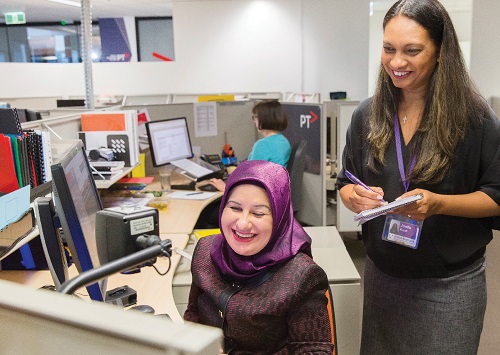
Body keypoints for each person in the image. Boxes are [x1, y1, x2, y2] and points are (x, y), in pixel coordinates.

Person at [335, 0, 500, 354]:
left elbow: (496, 196)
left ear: (441, 52)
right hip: (382, 277)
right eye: (388, 49)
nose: (396, 62)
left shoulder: (475, 119)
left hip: (448, 287)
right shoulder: (368, 114)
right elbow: (344, 183)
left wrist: (438, 203)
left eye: (412, 51)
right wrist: (354, 196)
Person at [184, 160, 335, 354]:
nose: (243, 223)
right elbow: (193, 316)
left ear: (279, 218)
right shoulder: (206, 251)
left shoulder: (302, 275)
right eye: (235, 208)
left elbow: (314, 350)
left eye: (258, 213)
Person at [208, 100, 291, 191]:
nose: (255, 121)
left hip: (260, 193)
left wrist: (226, 188)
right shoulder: (283, 141)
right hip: (274, 192)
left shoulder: (263, 145)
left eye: (256, 117)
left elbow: (250, 178)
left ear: (264, 118)